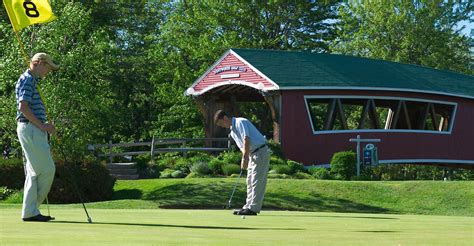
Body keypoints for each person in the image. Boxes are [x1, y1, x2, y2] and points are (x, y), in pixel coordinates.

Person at [16, 52, 59, 222]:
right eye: (48, 67)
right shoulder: (28, 79)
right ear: (40, 63)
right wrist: (42, 126)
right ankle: (31, 210)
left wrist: (44, 124)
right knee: (47, 169)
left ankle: (30, 211)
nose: (48, 71)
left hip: (31, 129)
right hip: (31, 129)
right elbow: (23, 107)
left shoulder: (31, 80)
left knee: (34, 173)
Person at [214, 110, 270, 216]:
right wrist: (244, 158)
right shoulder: (232, 131)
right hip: (252, 154)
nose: (222, 126)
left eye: (221, 123)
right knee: (249, 181)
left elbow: (246, 139)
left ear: (225, 118)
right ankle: (248, 206)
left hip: (260, 151)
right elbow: (242, 147)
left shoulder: (240, 122)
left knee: (256, 181)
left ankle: (253, 208)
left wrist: (245, 158)